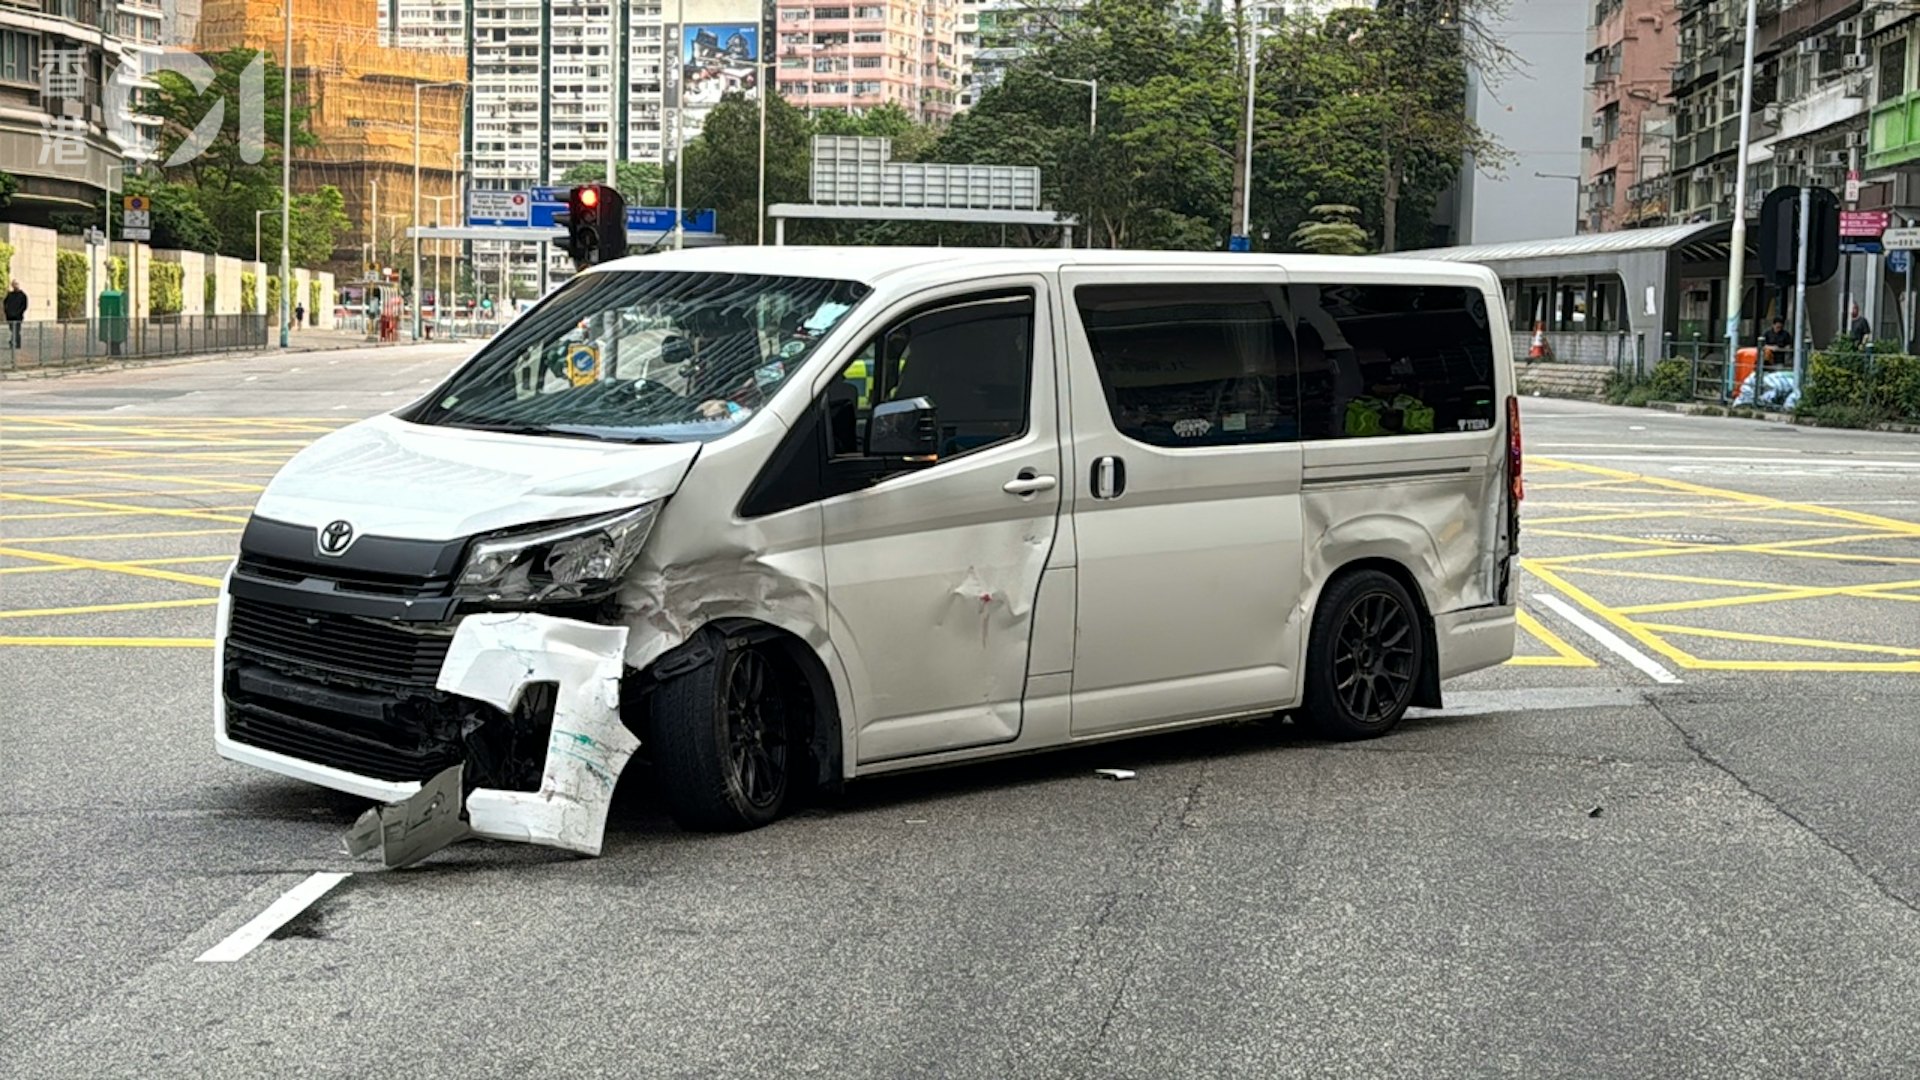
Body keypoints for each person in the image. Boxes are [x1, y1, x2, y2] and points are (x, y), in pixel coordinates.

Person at [4, 280, 26, 349]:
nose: (15, 286)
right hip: (10, 317)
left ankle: (16, 343)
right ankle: (14, 342)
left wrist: (19, 313)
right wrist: (7, 312)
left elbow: (24, 306)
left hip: (18, 317)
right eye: (13, 284)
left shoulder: (22, 295)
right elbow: (5, 304)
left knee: (16, 330)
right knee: (12, 330)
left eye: (16, 284)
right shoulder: (10, 295)